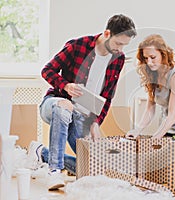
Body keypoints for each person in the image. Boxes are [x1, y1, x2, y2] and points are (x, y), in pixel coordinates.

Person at [25, 14, 136, 190]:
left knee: (94, 168)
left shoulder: (119, 59)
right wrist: (66, 86)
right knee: (63, 108)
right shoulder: (78, 46)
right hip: (54, 104)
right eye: (118, 43)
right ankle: (54, 171)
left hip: (81, 117)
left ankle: (42, 153)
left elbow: (108, 97)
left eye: (124, 45)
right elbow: (47, 71)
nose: (120, 49)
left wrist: (96, 123)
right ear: (107, 34)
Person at [126, 34, 175, 140]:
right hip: (168, 130)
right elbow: (150, 108)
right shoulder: (153, 75)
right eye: (146, 58)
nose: (149, 62)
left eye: (153, 57)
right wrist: (137, 130)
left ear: (163, 54)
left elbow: (173, 113)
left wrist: (158, 136)